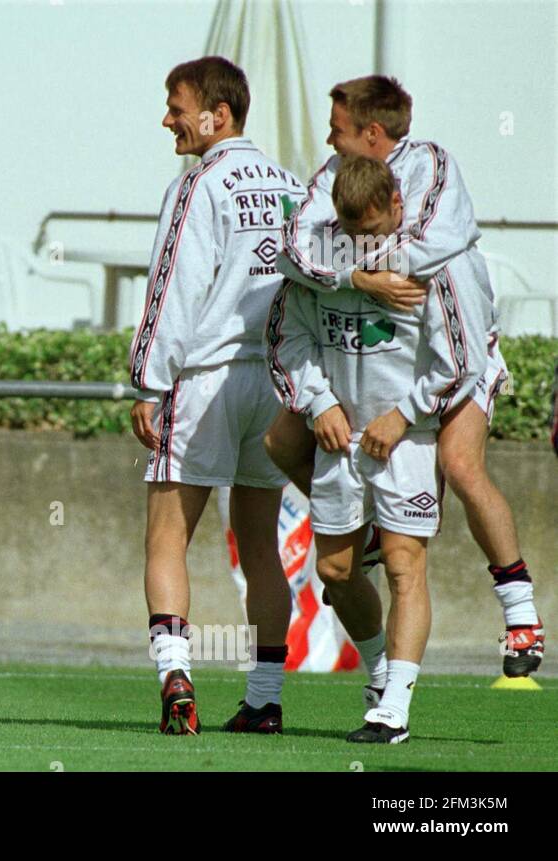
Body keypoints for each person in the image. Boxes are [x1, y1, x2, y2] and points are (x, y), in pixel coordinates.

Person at [270, 75, 544, 678]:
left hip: (460, 344)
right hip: (385, 352)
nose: (328, 138)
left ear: (373, 134)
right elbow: (291, 248)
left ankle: (519, 608)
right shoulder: (334, 177)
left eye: (338, 128)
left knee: (462, 463)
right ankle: (365, 535)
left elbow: (430, 246)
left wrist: (341, 258)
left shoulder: (433, 167)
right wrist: (357, 278)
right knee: (282, 441)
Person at [267, 155, 488, 742]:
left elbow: (461, 361)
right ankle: (380, 673)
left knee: (403, 565)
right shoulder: (320, 265)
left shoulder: (427, 264)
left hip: (405, 440)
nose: (366, 242)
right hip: (341, 439)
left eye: (374, 227)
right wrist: (319, 404)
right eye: (353, 232)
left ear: (397, 202)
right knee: (336, 571)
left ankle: (393, 709)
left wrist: (406, 414)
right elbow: (289, 341)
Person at [127, 56, 304, 735]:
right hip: (274, 381)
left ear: (217, 115)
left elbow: (174, 288)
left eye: (176, 106)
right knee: (259, 542)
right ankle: (264, 697)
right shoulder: (292, 186)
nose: (167, 118)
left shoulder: (198, 183)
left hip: (205, 381)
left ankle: (176, 672)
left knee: (167, 537)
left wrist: (147, 379)